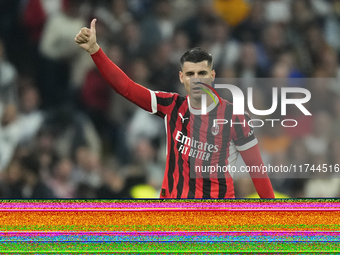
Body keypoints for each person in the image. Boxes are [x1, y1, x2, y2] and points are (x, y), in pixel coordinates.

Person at [74, 19, 275, 198]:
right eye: (190, 74)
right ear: (181, 78)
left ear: (212, 76)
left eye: (202, 73)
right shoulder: (171, 105)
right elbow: (126, 87)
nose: (196, 79)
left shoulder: (235, 117)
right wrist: (95, 51)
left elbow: (258, 172)